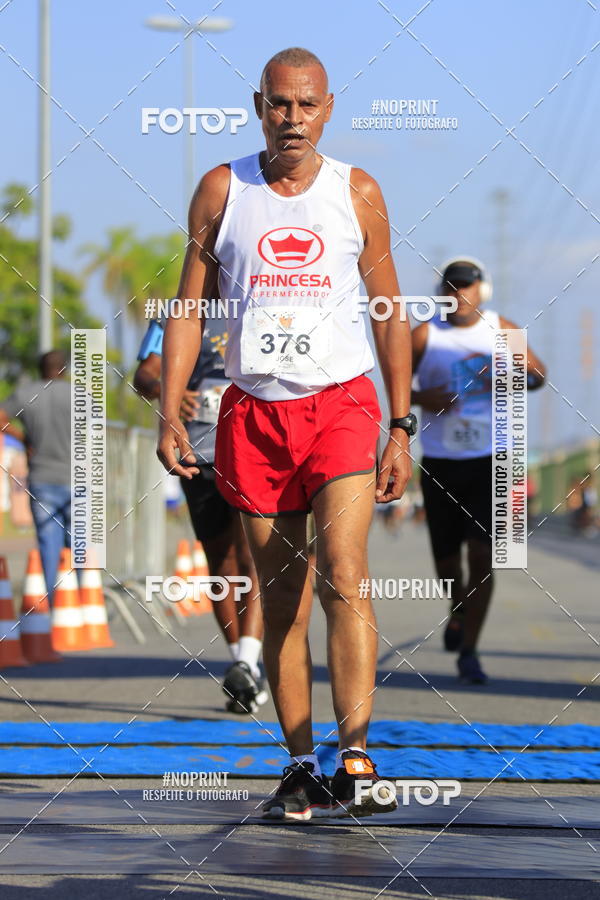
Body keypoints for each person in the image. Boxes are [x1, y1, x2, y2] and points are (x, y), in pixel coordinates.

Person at [156, 47, 415, 820]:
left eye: (306, 105)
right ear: (258, 104)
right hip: (252, 412)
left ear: (327, 108)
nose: (292, 118)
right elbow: (188, 308)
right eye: (279, 104)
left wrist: (399, 426)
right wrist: (171, 410)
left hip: (340, 405)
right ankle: (301, 764)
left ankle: (357, 758)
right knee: (281, 601)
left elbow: (390, 310)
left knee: (344, 568)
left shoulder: (355, 191)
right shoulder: (222, 188)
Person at [411, 257, 546, 684]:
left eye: (467, 287)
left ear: (480, 291)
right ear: (442, 293)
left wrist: (516, 373)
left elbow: (540, 376)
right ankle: (457, 608)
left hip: (495, 458)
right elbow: (397, 387)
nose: (459, 294)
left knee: (483, 556)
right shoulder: (423, 334)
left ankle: (470, 650)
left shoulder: (500, 327)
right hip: (441, 461)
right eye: (451, 287)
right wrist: (420, 398)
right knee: (448, 561)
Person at [134, 316, 268, 714]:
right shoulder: (174, 315)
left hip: (255, 453)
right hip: (200, 454)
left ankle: (248, 659)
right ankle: (240, 665)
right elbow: (144, 376)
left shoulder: (261, 298)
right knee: (220, 561)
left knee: (252, 559)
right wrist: (166, 393)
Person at [0, 350, 71, 604]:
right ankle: (85, 600)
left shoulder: (27, 393)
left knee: (48, 545)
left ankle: (52, 608)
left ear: (40, 369)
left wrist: (24, 439)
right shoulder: (80, 396)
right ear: (63, 369)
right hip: (77, 480)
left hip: (42, 479)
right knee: (81, 547)